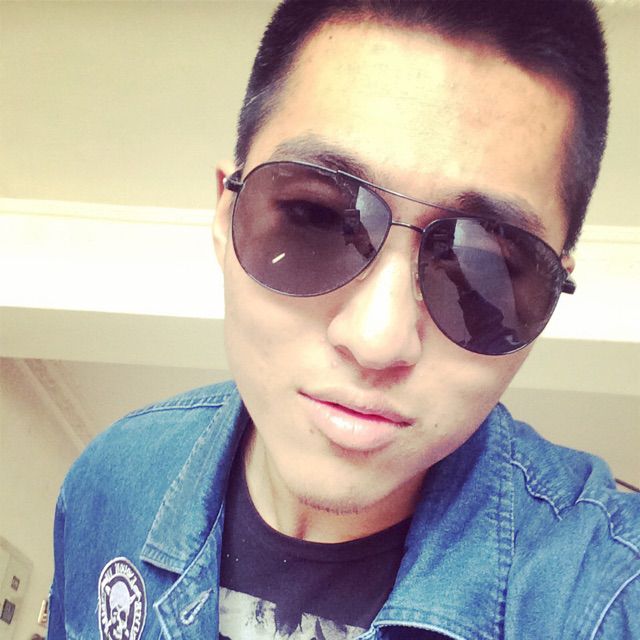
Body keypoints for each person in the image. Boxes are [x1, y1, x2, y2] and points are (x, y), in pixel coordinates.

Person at [48, 1, 640, 639]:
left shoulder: (605, 599)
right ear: (226, 214)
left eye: (482, 267)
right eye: (318, 218)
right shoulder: (113, 480)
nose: (376, 339)